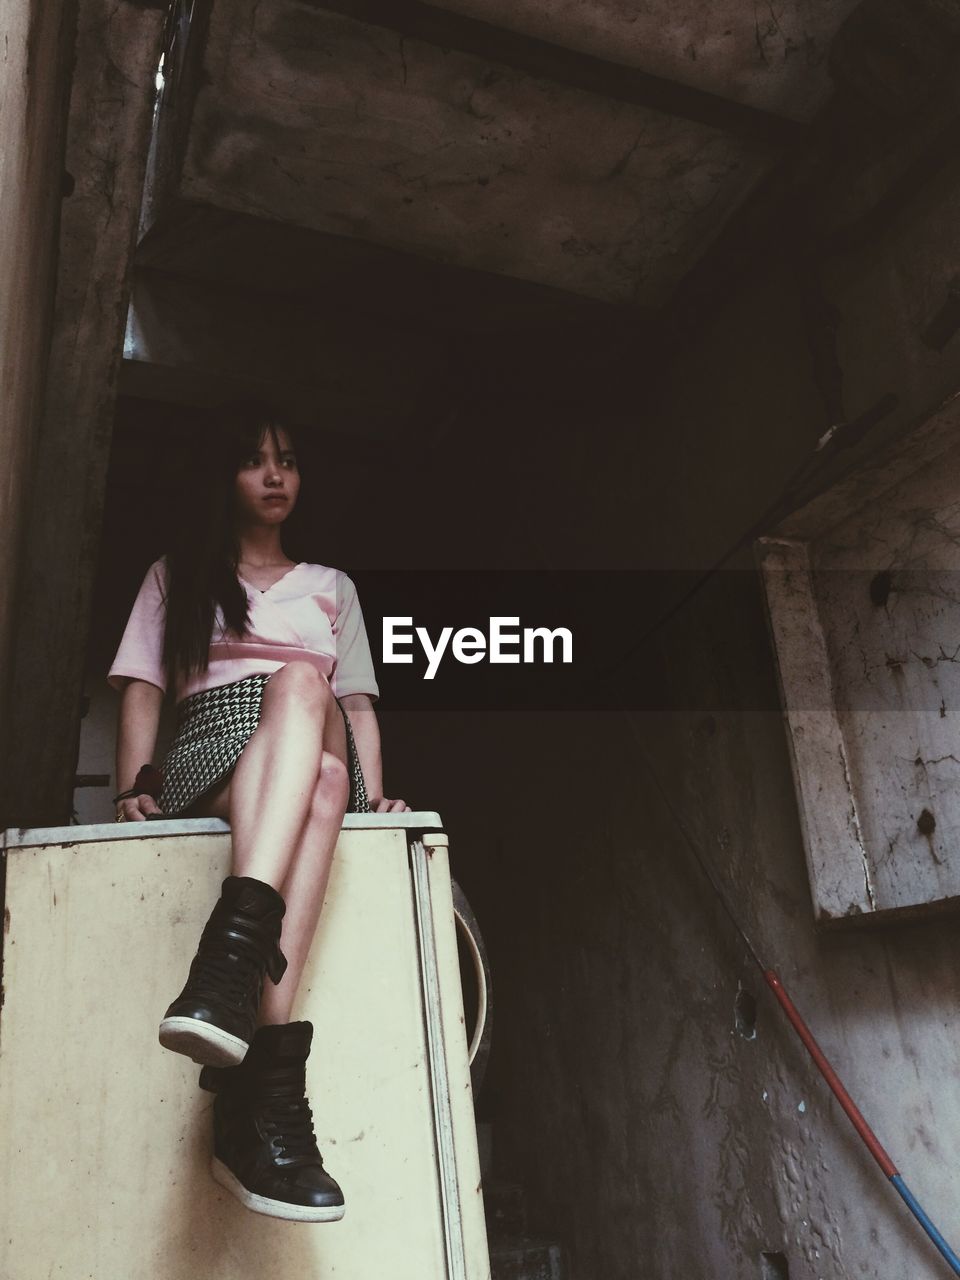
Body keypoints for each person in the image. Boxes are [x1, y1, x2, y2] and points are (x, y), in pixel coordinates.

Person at [107, 402, 409, 1223]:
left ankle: (224, 974)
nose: (276, 475)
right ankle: (265, 1103)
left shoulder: (331, 588)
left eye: (289, 460)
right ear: (225, 476)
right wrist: (133, 781)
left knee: (314, 727)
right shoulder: (179, 573)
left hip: (316, 743)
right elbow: (142, 686)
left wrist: (378, 796)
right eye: (255, 460)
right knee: (312, 766)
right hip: (215, 748)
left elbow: (360, 705)